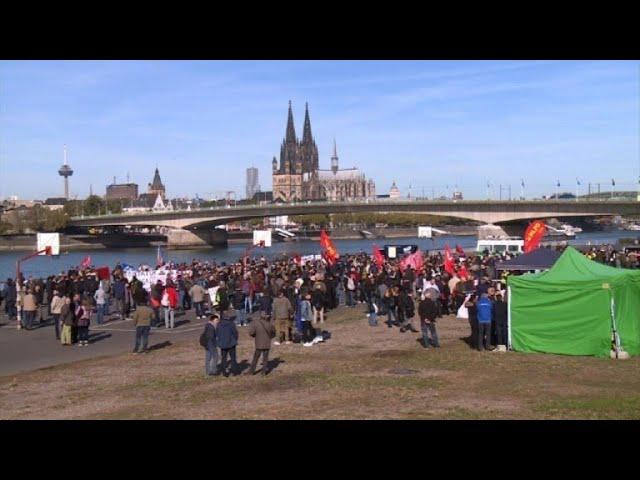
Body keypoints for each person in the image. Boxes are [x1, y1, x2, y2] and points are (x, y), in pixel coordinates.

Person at [216, 310, 239, 377]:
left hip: (223, 344)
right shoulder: (231, 324)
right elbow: (235, 333)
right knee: (233, 357)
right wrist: (235, 339)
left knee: (224, 358)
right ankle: (234, 371)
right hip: (231, 343)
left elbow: (217, 334)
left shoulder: (219, 324)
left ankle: (224, 372)